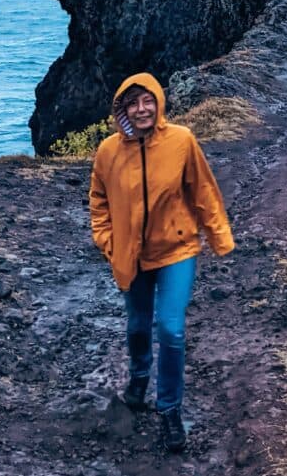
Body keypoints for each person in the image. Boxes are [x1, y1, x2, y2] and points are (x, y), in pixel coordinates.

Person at [88, 72, 235, 453]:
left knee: (170, 330)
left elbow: (203, 191)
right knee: (138, 325)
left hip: (177, 252)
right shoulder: (107, 151)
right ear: (122, 109)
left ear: (159, 102)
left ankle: (169, 409)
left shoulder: (181, 141)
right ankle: (139, 377)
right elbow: (98, 200)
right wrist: (108, 241)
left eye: (147, 101)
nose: (142, 109)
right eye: (133, 103)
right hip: (131, 256)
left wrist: (219, 237)